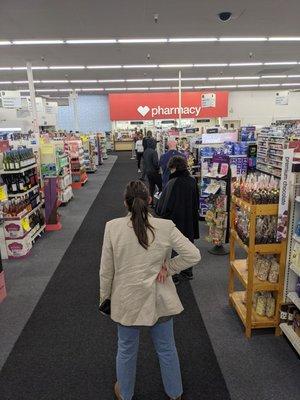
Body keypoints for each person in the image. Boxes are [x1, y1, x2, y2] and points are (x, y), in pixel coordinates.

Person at [99, 181, 201, 400]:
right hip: (159, 297)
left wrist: (105, 298)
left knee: (126, 349)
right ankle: (175, 393)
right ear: (150, 200)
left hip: (126, 299)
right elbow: (193, 255)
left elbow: (106, 270)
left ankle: (125, 394)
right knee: (166, 348)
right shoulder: (165, 227)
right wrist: (170, 268)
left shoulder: (112, 227)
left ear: (126, 203)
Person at [156, 156, 200, 284]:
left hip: (175, 220)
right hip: (190, 219)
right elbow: (196, 202)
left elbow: (164, 206)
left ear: (174, 168)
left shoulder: (172, 183)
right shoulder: (192, 181)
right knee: (188, 244)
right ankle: (188, 271)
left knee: (174, 247)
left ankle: (174, 275)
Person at [143, 134, 162, 202]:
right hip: (154, 172)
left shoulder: (145, 151)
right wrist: (159, 167)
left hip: (148, 172)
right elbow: (155, 163)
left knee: (151, 187)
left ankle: (151, 202)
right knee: (161, 187)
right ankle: (161, 202)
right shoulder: (154, 152)